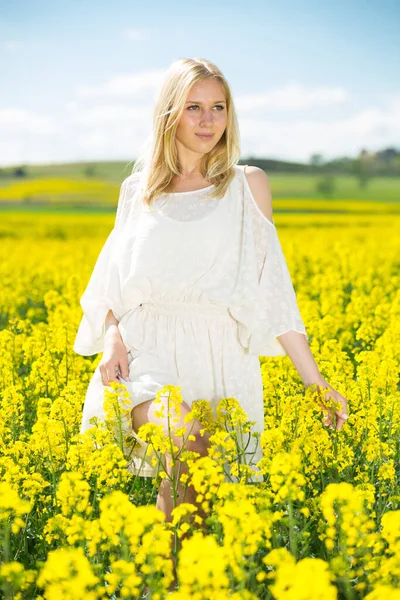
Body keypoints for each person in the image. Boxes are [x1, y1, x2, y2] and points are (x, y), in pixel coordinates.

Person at [73, 57, 349, 523]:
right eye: (194, 107)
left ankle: (169, 587)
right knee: (192, 445)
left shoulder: (247, 186)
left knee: (191, 496)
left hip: (218, 358)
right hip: (146, 355)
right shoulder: (137, 191)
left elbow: (272, 290)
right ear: (169, 114)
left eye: (218, 107)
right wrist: (113, 338)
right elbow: (109, 286)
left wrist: (314, 381)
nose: (208, 120)